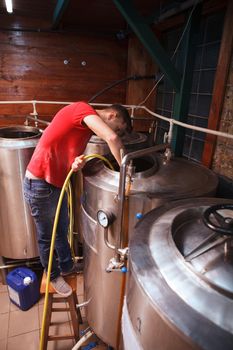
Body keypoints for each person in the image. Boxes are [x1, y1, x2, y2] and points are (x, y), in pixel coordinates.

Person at [23, 101, 132, 297]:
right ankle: (53, 274)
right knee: (47, 236)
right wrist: (125, 172)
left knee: (61, 229)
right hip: (39, 183)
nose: (115, 132)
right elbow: (112, 137)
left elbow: (64, 151)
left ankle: (66, 266)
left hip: (54, 184)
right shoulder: (83, 109)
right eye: (118, 127)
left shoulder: (85, 128)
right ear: (112, 116)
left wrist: (74, 163)